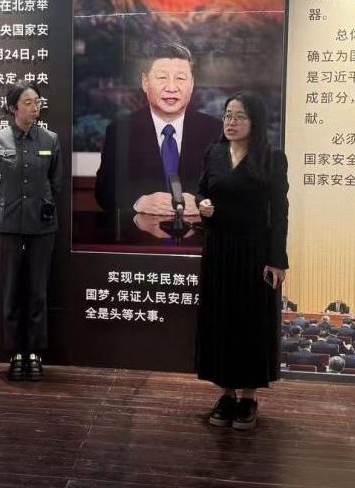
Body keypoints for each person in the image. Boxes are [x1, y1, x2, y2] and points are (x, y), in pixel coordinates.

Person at [196, 91, 290, 431]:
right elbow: (202, 190)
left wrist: (277, 259)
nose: (231, 122)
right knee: (220, 320)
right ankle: (226, 393)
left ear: (255, 122)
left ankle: (249, 396)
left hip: (255, 252)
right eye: (227, 115)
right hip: (219, 249)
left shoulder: (272, 158)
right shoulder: (214, 152)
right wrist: (203, 205)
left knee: (251, 323)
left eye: (239, 116)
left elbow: (279, 212)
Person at [0, 83, 62, 382]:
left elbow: (56, 183)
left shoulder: (50, 140)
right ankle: (15, 352)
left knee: (37, 291)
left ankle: (35, 353)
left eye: (37, 102)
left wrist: (44, 206)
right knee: (12, 290)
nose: (34, 107)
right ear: (13, 107)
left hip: (42, 227)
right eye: (28, 102)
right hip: (8, 226)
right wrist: (2, 210)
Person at [95, 41, 221, 215]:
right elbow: (104, 191)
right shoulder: (121, 131)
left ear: (192, 84)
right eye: (162, 78)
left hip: (199, 230)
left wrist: (202, 203)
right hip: (140, 230)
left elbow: (231, 191)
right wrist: (138, 202)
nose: (171, 88)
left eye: (180, 78)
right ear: (145, 82)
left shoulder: (215, 131)